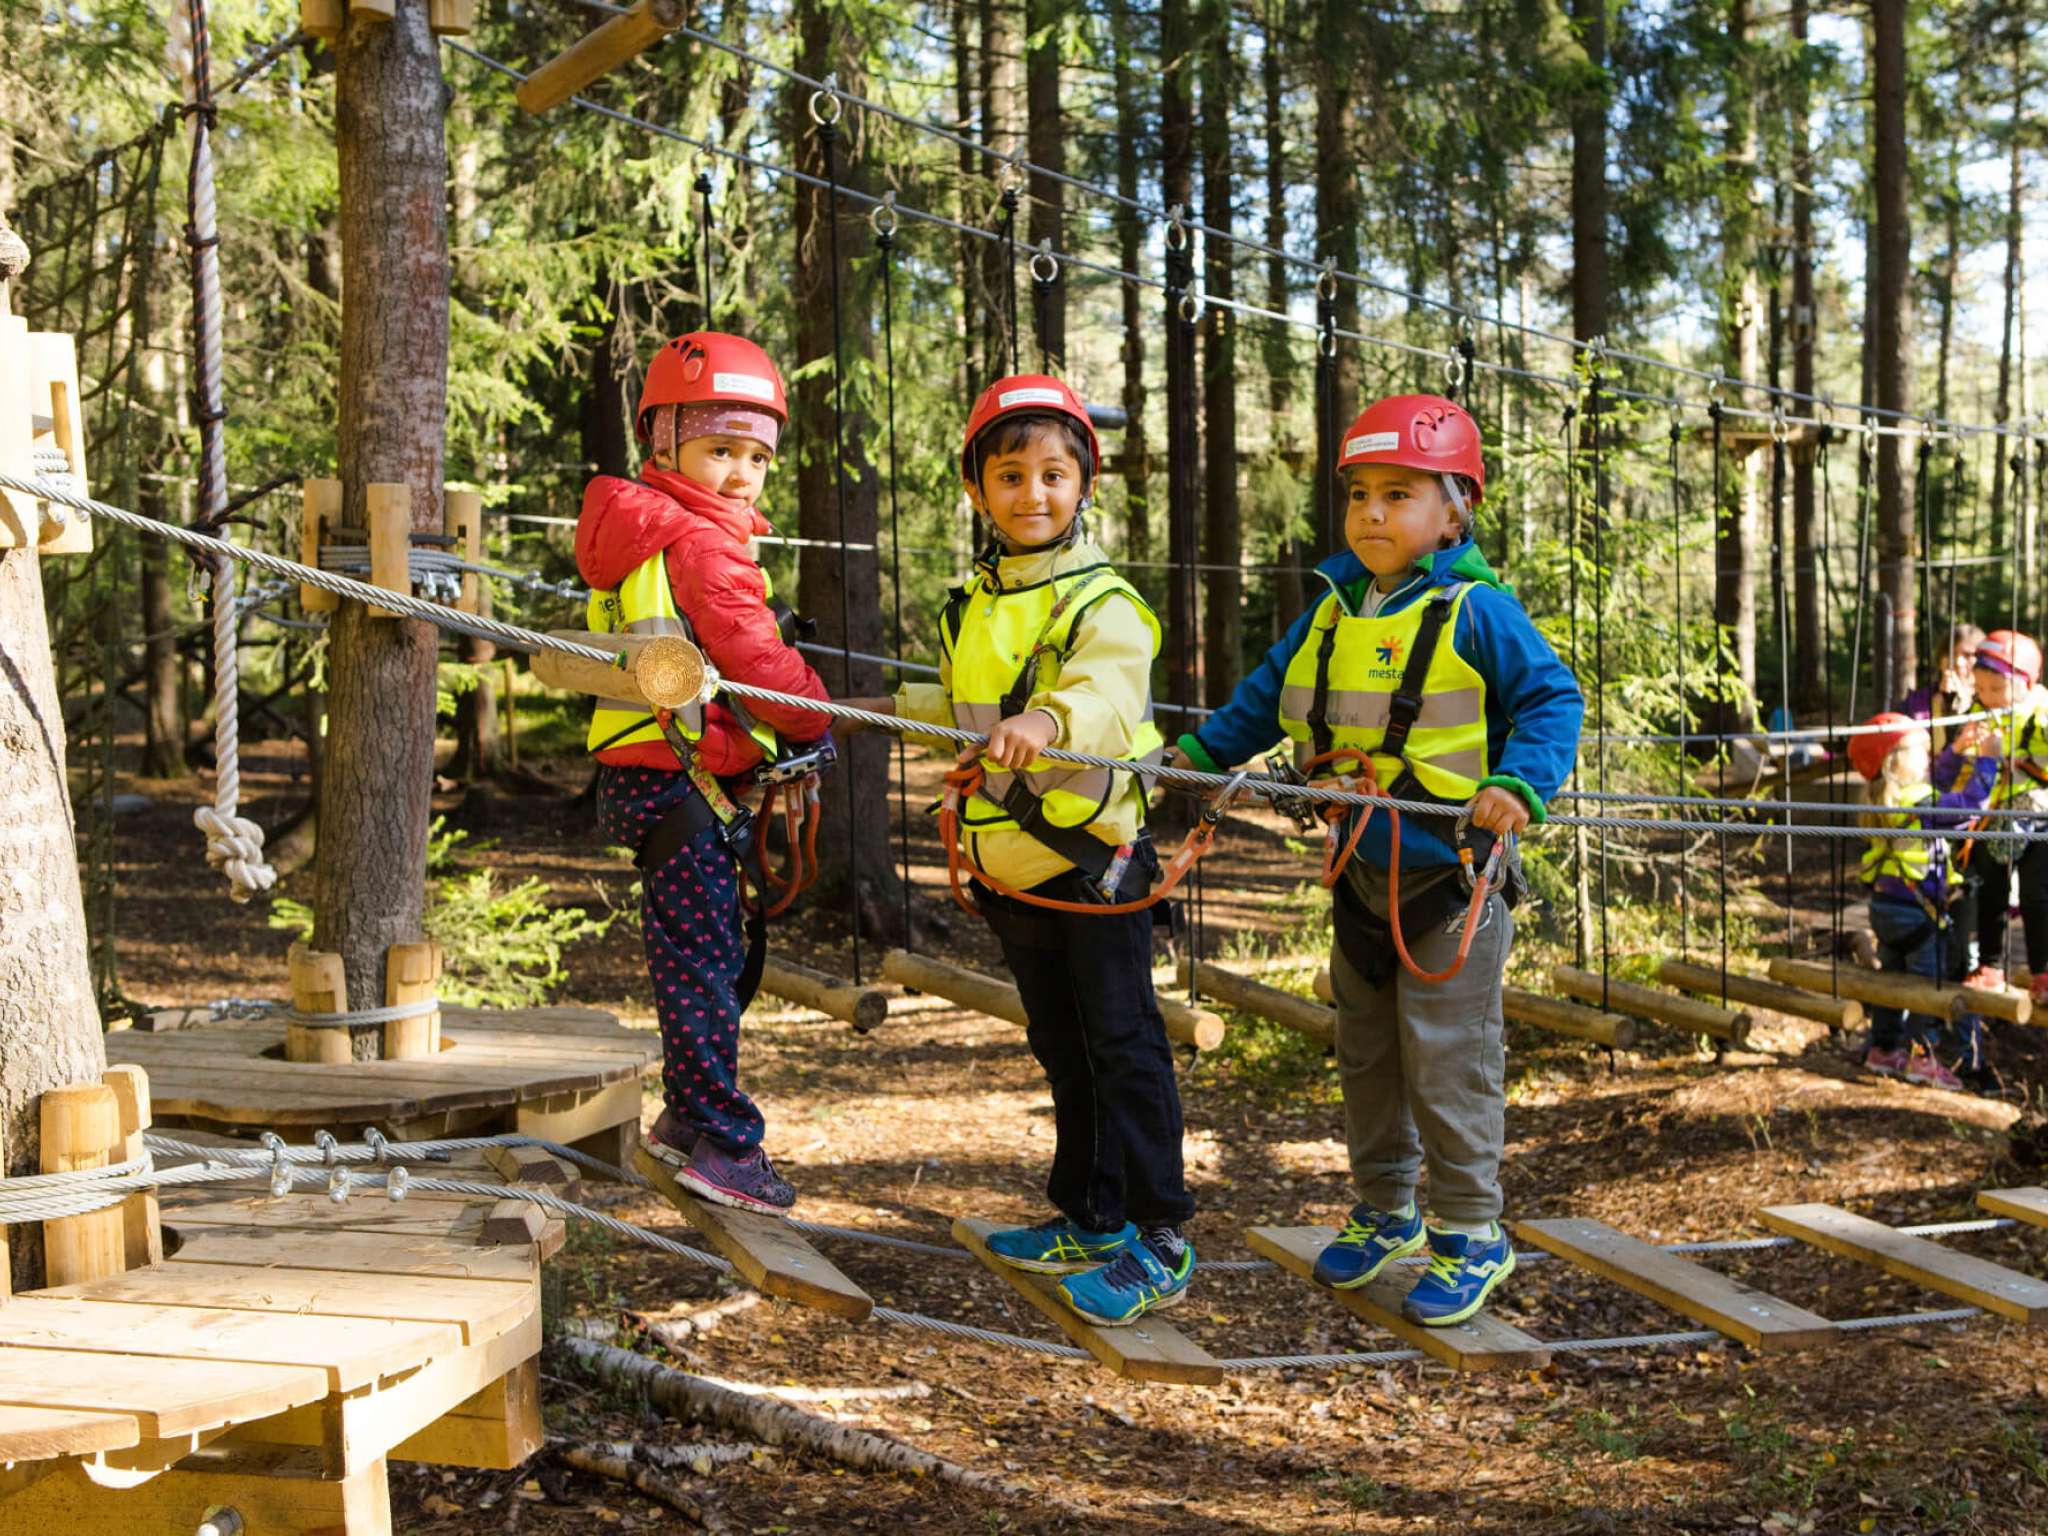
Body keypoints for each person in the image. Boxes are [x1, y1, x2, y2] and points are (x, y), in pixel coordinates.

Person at [1169, 394, 1582, 1328]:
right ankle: (1386, 1207)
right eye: (1360, 495)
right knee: (1366, 1055)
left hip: (1451, 884)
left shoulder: (1480, 612)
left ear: (1454, 511)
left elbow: (1554, 701)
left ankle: (1473, 1228)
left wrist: (1517, 786)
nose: (1372, 515)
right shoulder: (1332, 610)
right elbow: (1262, 698)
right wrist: (1198, 758)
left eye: (1399, 494)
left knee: (1448, 1061)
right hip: (1358, 878)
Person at [839, 374, 1195, 1326]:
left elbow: (1108, 693)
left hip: (1092, 861)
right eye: (1010, 475)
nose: (1032, 493)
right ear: (976, 490)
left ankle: (1161, 1235)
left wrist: (1047, 718)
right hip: (1012, 870)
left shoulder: (1104, 602)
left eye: (1053, 474)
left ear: (1084, 487)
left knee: (1125, 1047)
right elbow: (960, 714)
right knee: (1064, 1048)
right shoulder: (970, 606)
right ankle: (1088, 1213)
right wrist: (865, 713)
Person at [576, 331, 833, 1215]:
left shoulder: (636, 530)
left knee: (694, 953)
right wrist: (815, 712)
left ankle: (688, 1122)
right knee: (704, 963)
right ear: (664, 444)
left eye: (756, 456)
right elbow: (757, 661)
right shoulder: (703, 546)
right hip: (680, 776)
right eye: (720, 449)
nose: (740, 474)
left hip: (651, 775)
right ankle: (723, 1139)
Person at [1851, 712, 1995, 1089]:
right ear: (1895, 761)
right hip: (1918, 913)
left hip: (1885, 910)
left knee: (1892, 982)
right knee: (1926, 988)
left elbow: (1938, 785)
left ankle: (1882, 1049)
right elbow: (1968, 809)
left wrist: (1956, 751)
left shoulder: (1882, 797)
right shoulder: (1919, 802)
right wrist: (1987, 761)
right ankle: (1922, 1056)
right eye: (1922, 752)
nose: (1930, 757)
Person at [1936, 630, 2048, 1002]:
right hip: (1997, 817)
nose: (1988, 697)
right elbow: (1954, 764)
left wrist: (2016, 755)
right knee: (1990, 889)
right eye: (1982, 688)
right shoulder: (1983, 711)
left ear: (2027, 683)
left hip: (2039, 817)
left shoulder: (2041, 712)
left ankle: (2043, 972)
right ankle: (1990, 965)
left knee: (2037, 895)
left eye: (1997, 688)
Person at [1898, 623, 1984, 751]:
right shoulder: (1915, 702)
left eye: (1968, 655)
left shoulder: (1991, 702)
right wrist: (1939, 705)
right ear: (1940, 660)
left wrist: (1961, 704)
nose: (1958, 662)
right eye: (1951, 654)